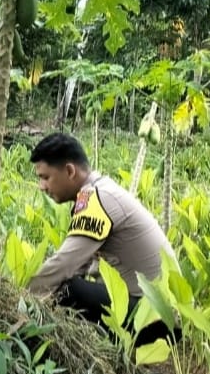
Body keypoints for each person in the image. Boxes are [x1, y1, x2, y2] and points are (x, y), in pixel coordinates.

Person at [27, 133, 177, 344]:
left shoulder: (97, 199)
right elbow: (80, 265)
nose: (41, 187)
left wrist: (21, 298)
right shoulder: (100, 191)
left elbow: (64, 265)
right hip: (155, 312)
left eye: (45, 177)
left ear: (69, 171)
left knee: (67, 290)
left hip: (154, 319)